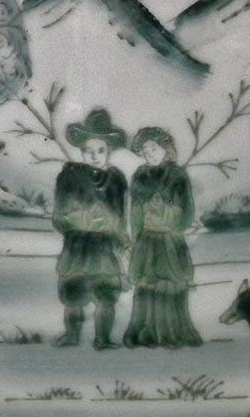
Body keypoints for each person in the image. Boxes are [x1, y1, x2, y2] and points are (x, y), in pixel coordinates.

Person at [53, 108, 128, 350]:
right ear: (81, 151)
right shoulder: (70, 177)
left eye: (100, 150)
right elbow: (60, 216)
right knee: (74, 294)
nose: (94, 156)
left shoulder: (116, 180)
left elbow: (120, 217)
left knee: (106, 295)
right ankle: (72, 334)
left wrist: (118, 235)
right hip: (78, 249)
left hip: (105, 250)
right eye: (88, 150)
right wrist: (84, 220)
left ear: (109, 150)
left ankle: (103, 338)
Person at [123, 127, 203, 349]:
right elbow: (135, 215)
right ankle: (146, 330)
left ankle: (171, 331)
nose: (149, 153)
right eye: (145, 150)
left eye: (153, 148)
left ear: (165, 148)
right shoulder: (140, 177)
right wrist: (135, 240)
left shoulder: (177, 176)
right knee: (147, 285)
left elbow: (186, 216)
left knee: (169, 284)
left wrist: (165, 213)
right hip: (146, 242)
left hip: (169, 241)